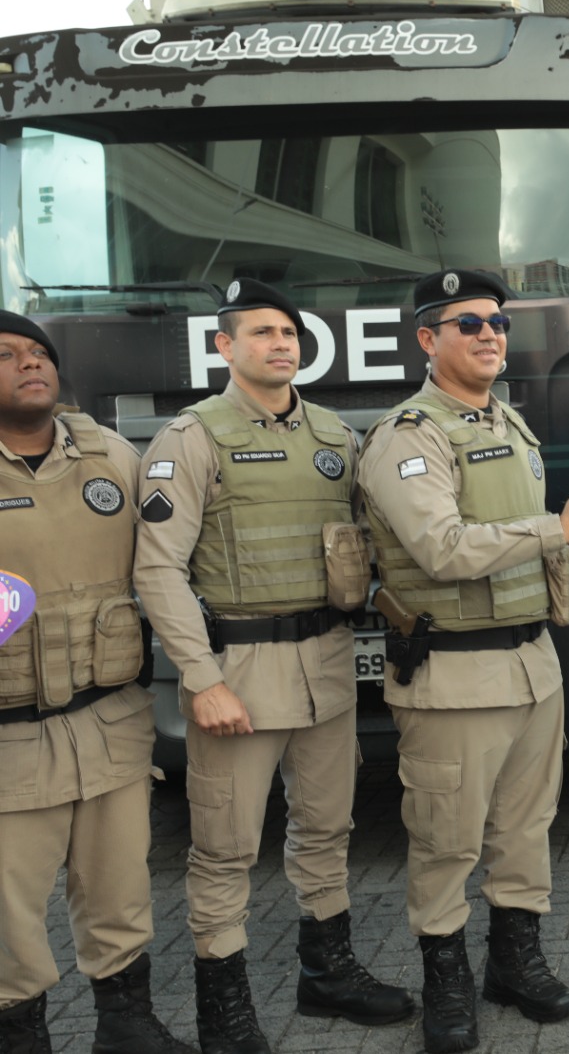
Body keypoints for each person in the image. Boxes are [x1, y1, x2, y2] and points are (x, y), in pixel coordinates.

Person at [135, 279, 412, 1054]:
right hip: (239, 674)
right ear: (223, 347)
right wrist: (200, 678)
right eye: (260, 332)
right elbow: (158, 572)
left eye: (288, 332)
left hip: (324, 664)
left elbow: (372, 543)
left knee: (328, 829)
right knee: (224, 848)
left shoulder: (333, 435)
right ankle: (224, 1011)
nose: (280, 343)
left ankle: (328, 976)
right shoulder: (191, 439)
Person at [357, 269, 569, 1051]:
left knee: (526, 829)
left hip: (531, 662)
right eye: (468, 323)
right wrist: (555, 530)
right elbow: (440, 551)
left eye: (497, 320)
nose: (490, 332)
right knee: (446, 840)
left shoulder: (508, 421)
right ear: (428, 340)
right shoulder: (408, 435)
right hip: (453, 674)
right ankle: (448, 982)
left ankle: (515, 964)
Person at [0, 314, 196, 1054]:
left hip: (111, 721)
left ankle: (126, 1023)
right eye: (7, 355)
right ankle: (21, 1036)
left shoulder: (109, 452)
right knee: (8, 911)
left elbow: (167, 555)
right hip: (10, 734)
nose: (30, 363)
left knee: (118, 887)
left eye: (39, 352)